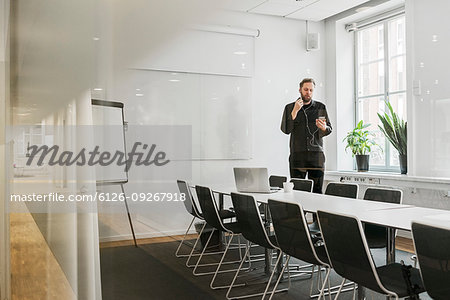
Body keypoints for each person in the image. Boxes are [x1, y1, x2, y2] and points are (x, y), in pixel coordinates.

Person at [280, 78, 332, 193]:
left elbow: (329, 129)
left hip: (317, 157)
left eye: (311, 90)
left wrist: (324, 128)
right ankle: (299, 211)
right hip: (297, 157)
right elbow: (285, 130)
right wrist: (294, 112)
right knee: (298, 191)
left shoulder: (320, 107)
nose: (308, 92)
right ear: (300, 90)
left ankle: (315, 212)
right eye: (305, 89)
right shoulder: (289, 107)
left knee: (317, 192)